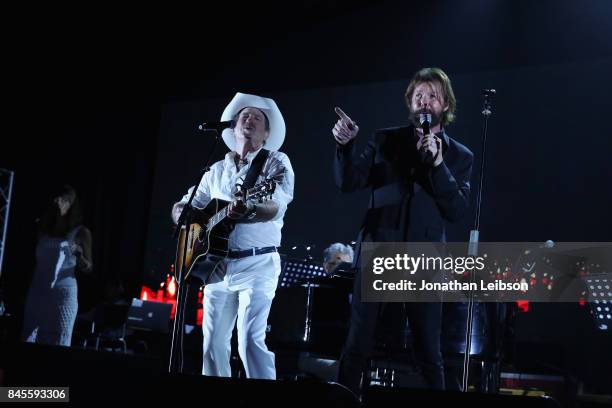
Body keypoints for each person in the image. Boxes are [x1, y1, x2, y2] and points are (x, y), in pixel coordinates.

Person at [332, 67, 473, 395]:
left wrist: (437, 166)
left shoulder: (459, 156)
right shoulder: (387, 140)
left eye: (432, 96)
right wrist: (345, 147)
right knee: (357, 345)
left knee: (427, 352)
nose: (425, 102)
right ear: (410, 102)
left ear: (445, 105)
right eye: (418, 95)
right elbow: (348, 181)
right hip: (378, 254)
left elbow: (456, 209)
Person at [171, 92, 294, 380]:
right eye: (243, 116)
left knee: (250, 341)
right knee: (212, 345)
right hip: (217, 266)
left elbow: (276, 204)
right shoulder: (215, 170)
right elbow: (186, 204)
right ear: (233, 127)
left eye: (257, 117)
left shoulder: (276, 161)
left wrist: (250, 207)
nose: (249, 119)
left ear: (266, 133)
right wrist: (181, 216)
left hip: (258, 263)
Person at [22, 184, 93, 346]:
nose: (57, 202)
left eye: (63, 199)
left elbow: (89, 268)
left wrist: (80, 256)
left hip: (63, 295)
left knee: (57, 345)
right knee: (28, 340)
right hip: (38, 292)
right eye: (55, 198)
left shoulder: (81, 232)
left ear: (70, 204)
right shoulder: (42, 228)